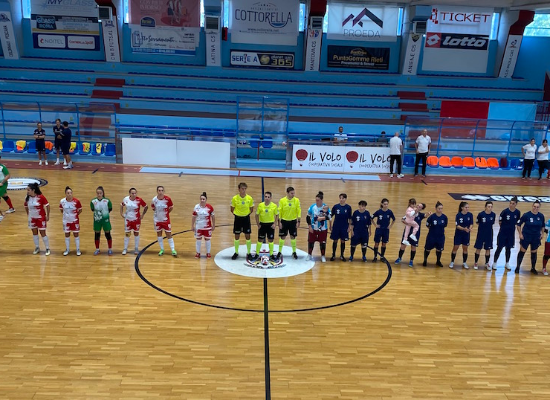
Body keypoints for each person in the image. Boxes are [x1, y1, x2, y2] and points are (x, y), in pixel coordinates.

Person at [515, 200, 545, 274]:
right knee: (522, 251)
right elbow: (518, 224)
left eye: (537, 207)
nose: (535, 208)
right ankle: (518, 267)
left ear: (539, 208)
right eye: (534, 206)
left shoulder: (541, 216)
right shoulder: (526, 215)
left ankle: (533, 268)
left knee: (534, 252)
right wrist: (520, 234)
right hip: (526, 236)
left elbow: (543, 226)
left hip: (536, 237)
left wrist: (542, 234)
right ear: (532, 206)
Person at [396, 203, 429, 267]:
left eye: (420, 207)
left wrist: (428, 214)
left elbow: (425, 215)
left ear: (421, 209)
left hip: (415, 234)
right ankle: (399, 258)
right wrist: (406, 223)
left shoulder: (420, 215)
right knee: (403, 246)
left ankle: (411, 260)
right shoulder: (411, 212)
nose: (418, 207)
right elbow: (402, 219)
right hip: (407, 232)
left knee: (413, 247)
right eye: (417, 205)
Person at [493, 197, 521, 271]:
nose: (511, 205)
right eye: (510, 203)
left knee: (508, 249)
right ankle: (494, 262)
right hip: (503, 233)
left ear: (516, 204)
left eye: (513, 203)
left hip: (511, 234)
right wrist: (504, 228)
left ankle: (507, 263)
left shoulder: (517, 212)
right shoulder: (504, 212)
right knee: (499, 248)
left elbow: (517, 222)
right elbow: (500, 222)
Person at [24, 182, 50, 255]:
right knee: (34, 233)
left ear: (33, 190)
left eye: (28, 190)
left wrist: (47, 216)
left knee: (43, 233)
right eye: (27, 190)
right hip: (32, 218)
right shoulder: (27, 198)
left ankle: (47, 248)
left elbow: (47, 206)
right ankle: (37, 247)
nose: (27, 191)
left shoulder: (41, 197)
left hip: (40, 218)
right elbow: (25, 206)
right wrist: (28, 215)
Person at [120, 188, 148, 255]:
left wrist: (142, 215)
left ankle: (136, 248)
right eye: (132, 193)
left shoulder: (139, 200)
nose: (134, 194)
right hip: (128, 220)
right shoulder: (126, 199)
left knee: (136, 233)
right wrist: (121, 213)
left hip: (136, 220)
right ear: (129, 193)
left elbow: (146, 206)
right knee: (127, 234)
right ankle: (125, 248)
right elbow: (121, 205)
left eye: (135, 193)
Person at [230, 182, 254, 260]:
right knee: (237, 236)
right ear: (239, 189)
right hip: (237, 219)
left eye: (245, 189)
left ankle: (249, 253)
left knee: (248, 236)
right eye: (242, 189)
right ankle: (236, 252)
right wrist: (238, 214)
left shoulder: (249, 198)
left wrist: (245, 214)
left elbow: (251, 209)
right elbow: (232, 209)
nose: (244, 190)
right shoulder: (234, 198)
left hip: (246, 219)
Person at [152, 185, 177, 257]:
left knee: (168, 234)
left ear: (164, 191)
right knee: (159, 234)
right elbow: (153, 208)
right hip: (157, 220)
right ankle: (162, 249)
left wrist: (166, 213)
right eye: (159, 190)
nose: (160, 192)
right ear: (157, 191)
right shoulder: (154, 200)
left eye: (162, 190)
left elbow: (171, 207)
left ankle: (173, 249)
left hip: (165, 220)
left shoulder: (167, 199)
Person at [306, 191, 331, 262]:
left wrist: (322, 218)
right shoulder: (312, 207)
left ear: (322, 200)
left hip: (323, 229)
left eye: (318, 200)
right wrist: (310, 227)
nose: (316, 201)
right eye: (316, 200)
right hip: (313, 228)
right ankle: (309, 255)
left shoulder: (325, 207)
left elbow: (329, 217)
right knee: (311, 242)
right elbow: (307, 217)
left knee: (322, 243)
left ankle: (323, 256)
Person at [277, 186, 301, 260]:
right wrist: (279, 222)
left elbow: (298, 210)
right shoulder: (282, 200)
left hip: (293, 221)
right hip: (284, 221)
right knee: (282, 237)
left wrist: (298, 221)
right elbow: (279, 211)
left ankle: (294, 252)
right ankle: (279, 252)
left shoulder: (296, 200)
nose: (293, 194)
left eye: (294, 193)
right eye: (291, 193)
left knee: (293, 236)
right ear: (287, 193)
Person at [422, 202, 448, 267]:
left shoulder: (444, 217)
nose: (440, 210)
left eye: (441, 208)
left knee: (439, 249)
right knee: (427, 249)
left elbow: (445, 225)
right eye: (439, 208)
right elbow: (427, 225)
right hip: (431, 236)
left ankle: (438, 261)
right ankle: (425, 260)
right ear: (436, 209)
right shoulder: (432, 217)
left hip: (440, 237)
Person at [254, 191, 278, 261]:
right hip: (262, 225)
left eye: (268, 197)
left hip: (270, 225)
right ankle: (257, 254)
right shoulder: (260, 205)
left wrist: (275, 224)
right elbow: (256, 215)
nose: (267, 198)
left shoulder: (274, 206)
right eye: (265, 197)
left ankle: (271, 254)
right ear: (264, 197)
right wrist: (258, 224)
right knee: (260, 240)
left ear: (271, 198)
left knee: (271, 240)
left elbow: (277, 215)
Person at [449, 201, 473, 269]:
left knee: (465, 249)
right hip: (458, 234)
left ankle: (464, 262)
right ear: (462, 208)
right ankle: (452, 262)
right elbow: (457, 226)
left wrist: (470, 228)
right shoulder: (458, 215)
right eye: (466, 207)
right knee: (455, 248)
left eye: (468, 207)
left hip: (466, 235)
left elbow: (471, 223)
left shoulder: (470, 215)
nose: (467, 209)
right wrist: (464, 229)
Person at [473, 201, 496, 270]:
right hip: (481, 234)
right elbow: (477, 222)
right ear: (485, 207)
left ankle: (487, 263)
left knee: (488, 249)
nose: (490, 208)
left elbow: (492, 223)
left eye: (491, 207)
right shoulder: (481, 214)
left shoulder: (493, 214)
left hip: (489, 234)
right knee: (478, 248)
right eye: (489, 206)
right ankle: (476, 263)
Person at [59, 186, 82, 256]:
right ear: (65, 194)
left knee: (76, 234)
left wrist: (74, 215)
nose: (69, 194)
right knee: (67, 235)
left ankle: (78, 249)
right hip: (66, 221)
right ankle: (67, 249)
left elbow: (80, 210)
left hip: (74, 221)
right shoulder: (62, 201)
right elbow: (61, 210)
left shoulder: (76, 201)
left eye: (71, 193)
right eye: (68, 193)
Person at [91, 186, 113, 256]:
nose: (99, 194)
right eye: (98, 193)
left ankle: (110, 249)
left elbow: (110, 209)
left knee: (107, 234)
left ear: (103, 193)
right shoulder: (93, 201)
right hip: (97, 221)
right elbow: (92, 209)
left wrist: (104, 214)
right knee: (97, 235)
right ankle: (97, 249)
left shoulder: (107, 201)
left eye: (100, 193)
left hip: (105, 220)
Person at [192, 192, 215, 259]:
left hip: (207, 227)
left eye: (203, 199)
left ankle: (208, 253)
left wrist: (213, 225)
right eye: (201, 199)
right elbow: (193, 217)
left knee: (207, 240)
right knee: (198, 240)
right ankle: (198, 253)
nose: (202, 200)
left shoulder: (210, 207)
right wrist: (192, 225)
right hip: (198, 227)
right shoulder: (196, 207)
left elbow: (213, 217)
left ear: (206, 200)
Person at [330, 193, 352, 262]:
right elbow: (330, 216)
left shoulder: (348, 207)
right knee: (335, 240)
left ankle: (342, 255)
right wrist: (330, 225)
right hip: (336, 226)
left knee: (343, 240)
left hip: (344, 227)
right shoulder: (336, 207)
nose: (341, 199)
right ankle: (333, 255)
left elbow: (350, 218)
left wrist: (349, 226)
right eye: (340, 198)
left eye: (343, 198)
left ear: (345, 199)